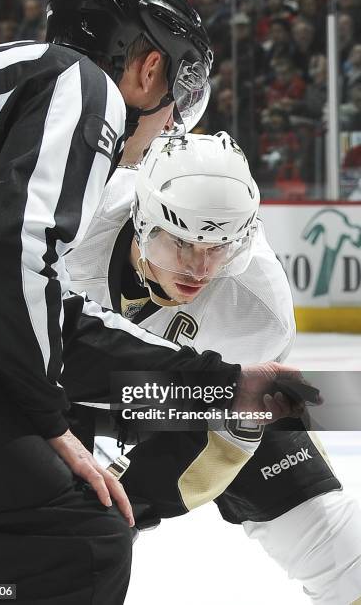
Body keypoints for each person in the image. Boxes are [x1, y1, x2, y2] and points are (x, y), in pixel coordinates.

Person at [0, 0, 309, 604]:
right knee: (84, 539)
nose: (171, 128)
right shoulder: (80, 84)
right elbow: (2, 263)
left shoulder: (13, 80)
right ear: (149, 71)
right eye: (176, 100)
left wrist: (212, 378)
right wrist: (49, 422)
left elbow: (28, 305)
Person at [65, 129, 361, 604]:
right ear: (142, 220)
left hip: (206, 401)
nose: (198, 269)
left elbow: (212, 445)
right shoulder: (78, 216)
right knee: (57, 560)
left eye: (219, 248)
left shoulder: (258, 307)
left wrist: (142, 498)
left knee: (342, 553)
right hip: (66, 398)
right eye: (179, 244)